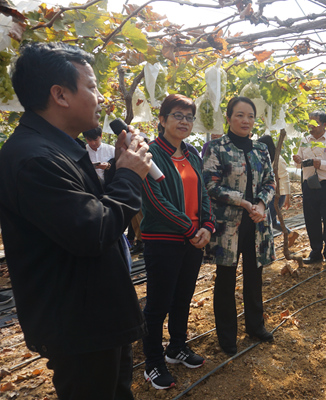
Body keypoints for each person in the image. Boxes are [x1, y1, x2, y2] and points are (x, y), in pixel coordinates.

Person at [0, 42, 151, 399]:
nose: (100, 98)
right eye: (93, 87)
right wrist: (129, 177)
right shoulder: (33, 158)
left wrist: (118, 169)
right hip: (80, 326)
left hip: (97, 314)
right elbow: (92, 231)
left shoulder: (55, 148)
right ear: (60, 95)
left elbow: (90, 208)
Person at [140, 94, 215, 390]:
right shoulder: (150, 153)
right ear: (162, 120)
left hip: (193, 240)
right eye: (177, 115)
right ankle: (153, 362)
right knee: (158, 304)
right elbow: (155, 200)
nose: (184, 121)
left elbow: (204, 192)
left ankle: (177, 347)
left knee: (183, 297)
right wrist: (189, 228)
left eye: (189, 117)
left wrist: (207, 225)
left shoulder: (192, 154)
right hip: (164, 240)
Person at [204, 97, 276, 356]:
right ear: (228, 117)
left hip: (256, 223)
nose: (246, 120)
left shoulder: (261, 149)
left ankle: (255, 326)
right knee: (225, 280)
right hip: (228, 226)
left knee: (254, 276)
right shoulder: (216, 148)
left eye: (250, 116)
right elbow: (211, 184)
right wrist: (244, 202)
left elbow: (270, 181)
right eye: (240, 115)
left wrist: (261, 204)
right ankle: (227, 336)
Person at [293, 111, 326, 269]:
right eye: (309, 122)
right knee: (311, 220)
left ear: (324, 124)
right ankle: (315, 252)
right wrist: (298, 160)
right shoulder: (304, 140)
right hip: (309, 185)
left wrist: (321, 164)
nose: (311, 126)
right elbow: (298, 163)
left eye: (315, 123)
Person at [257, 134, 299, 247]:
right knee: (272, 220)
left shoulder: (278, 160)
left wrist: (287, 198)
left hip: (278, 195)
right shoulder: (265, 158)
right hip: (268, 194)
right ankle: (290, 234)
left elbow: (285, 179)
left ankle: (266, 245)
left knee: (267, 221)